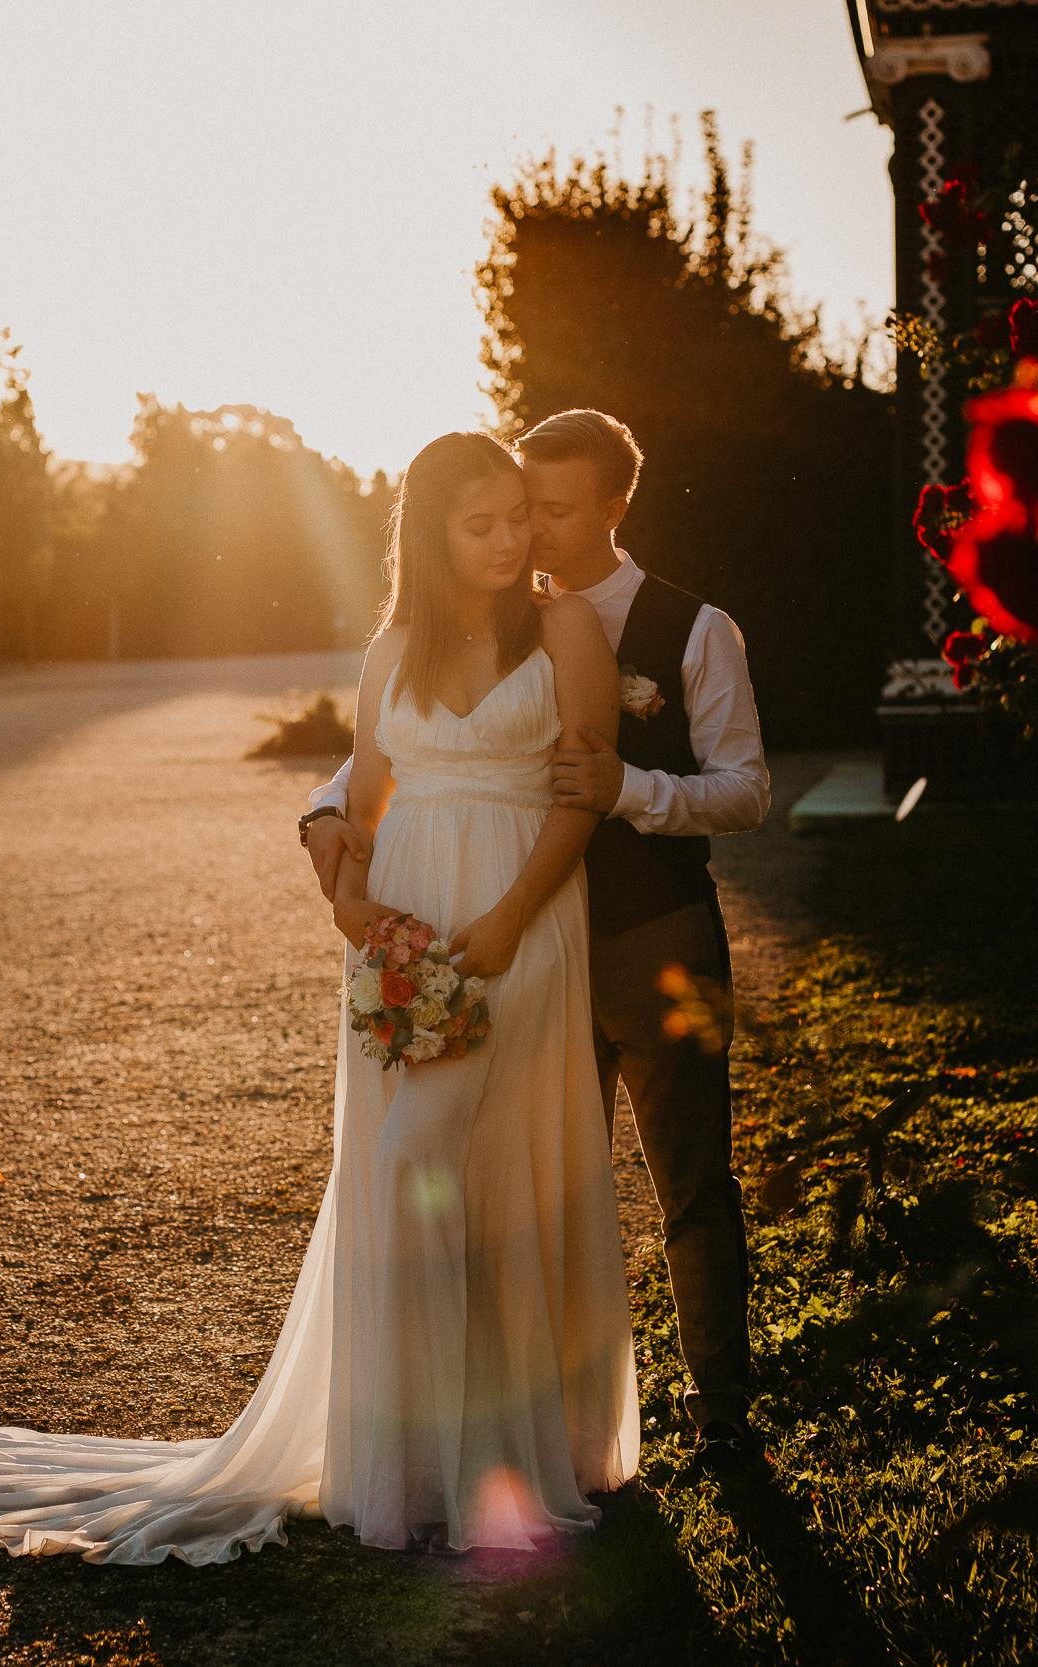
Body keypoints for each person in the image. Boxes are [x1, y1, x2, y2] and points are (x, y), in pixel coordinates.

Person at [0, 430, 642, 1561]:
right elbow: (367, 789)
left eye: (519, 516)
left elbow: (581, 784)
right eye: (482, 523)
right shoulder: (392, 649)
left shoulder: (563, 624)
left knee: (508, 1162)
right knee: (406, 1165)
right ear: (429, 534)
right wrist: (349, 898)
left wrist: (517, 910)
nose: (512, 538)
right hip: (410, 928)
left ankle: (523, 1449)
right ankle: (416, 1458)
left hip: (523, 913)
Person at [303, 408, 771, 1465]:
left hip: (641, 934)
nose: (529, 535)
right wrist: (326, 834)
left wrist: (630, 787)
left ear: (613, 509)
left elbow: (745, 792)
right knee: (502, 1177)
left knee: (687, 1179)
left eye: (548, 512)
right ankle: (466, 1431)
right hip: (482, 936)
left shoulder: (688, 627)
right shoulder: (456, 623)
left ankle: (723, 1415)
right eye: (515, 509)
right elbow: (379, 768)